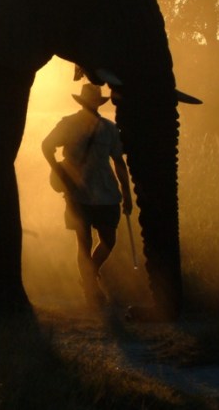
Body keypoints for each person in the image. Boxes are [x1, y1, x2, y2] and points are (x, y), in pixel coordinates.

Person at [42, 83, 133, 307]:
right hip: (78, 192)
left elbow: (119, 162)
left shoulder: (109, 129)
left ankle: (89, 276)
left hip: (106, 192)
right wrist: (57, 169)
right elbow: (47, 145)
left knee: (109, 240)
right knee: (84, 243)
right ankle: (92, 291)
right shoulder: (68, 124)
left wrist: (126, 193)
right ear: (85, 102)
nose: (93, 104)